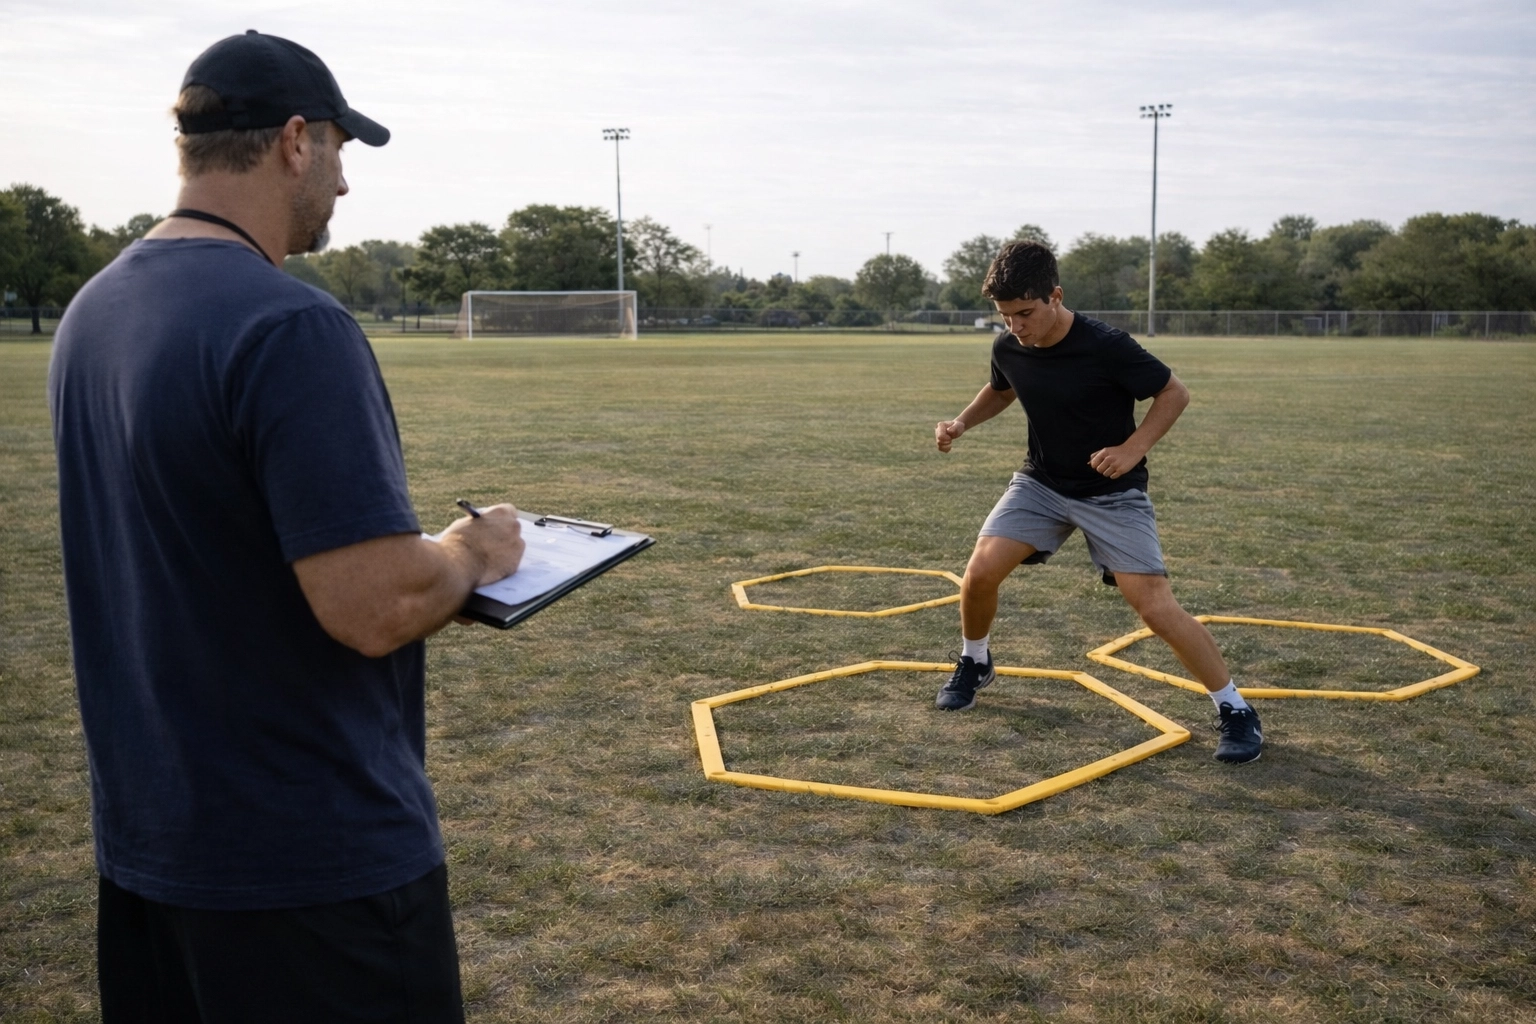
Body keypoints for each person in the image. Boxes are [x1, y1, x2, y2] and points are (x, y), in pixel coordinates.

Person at [48, 31, 525, 1022]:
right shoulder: (289, 325)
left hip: (151, 858)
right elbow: (373, 604)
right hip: (308, 877)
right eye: (345, 153)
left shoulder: (95, 309)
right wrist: (475, 549)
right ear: (296, 141)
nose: (345, 188)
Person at [931, 241, 1263, 764]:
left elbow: (1174, 392)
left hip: (1111, 493)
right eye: (1005, 316)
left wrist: (1133, 449)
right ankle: (975, 662)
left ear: (1055, 296)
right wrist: (960, 424)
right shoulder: (1009, 346)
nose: (1016, 326)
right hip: (1041, 484)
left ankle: (1236, 709)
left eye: (1025, 313)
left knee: (1153, 606)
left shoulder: (1107, 345)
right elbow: (1001, 389)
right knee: (978, 575)